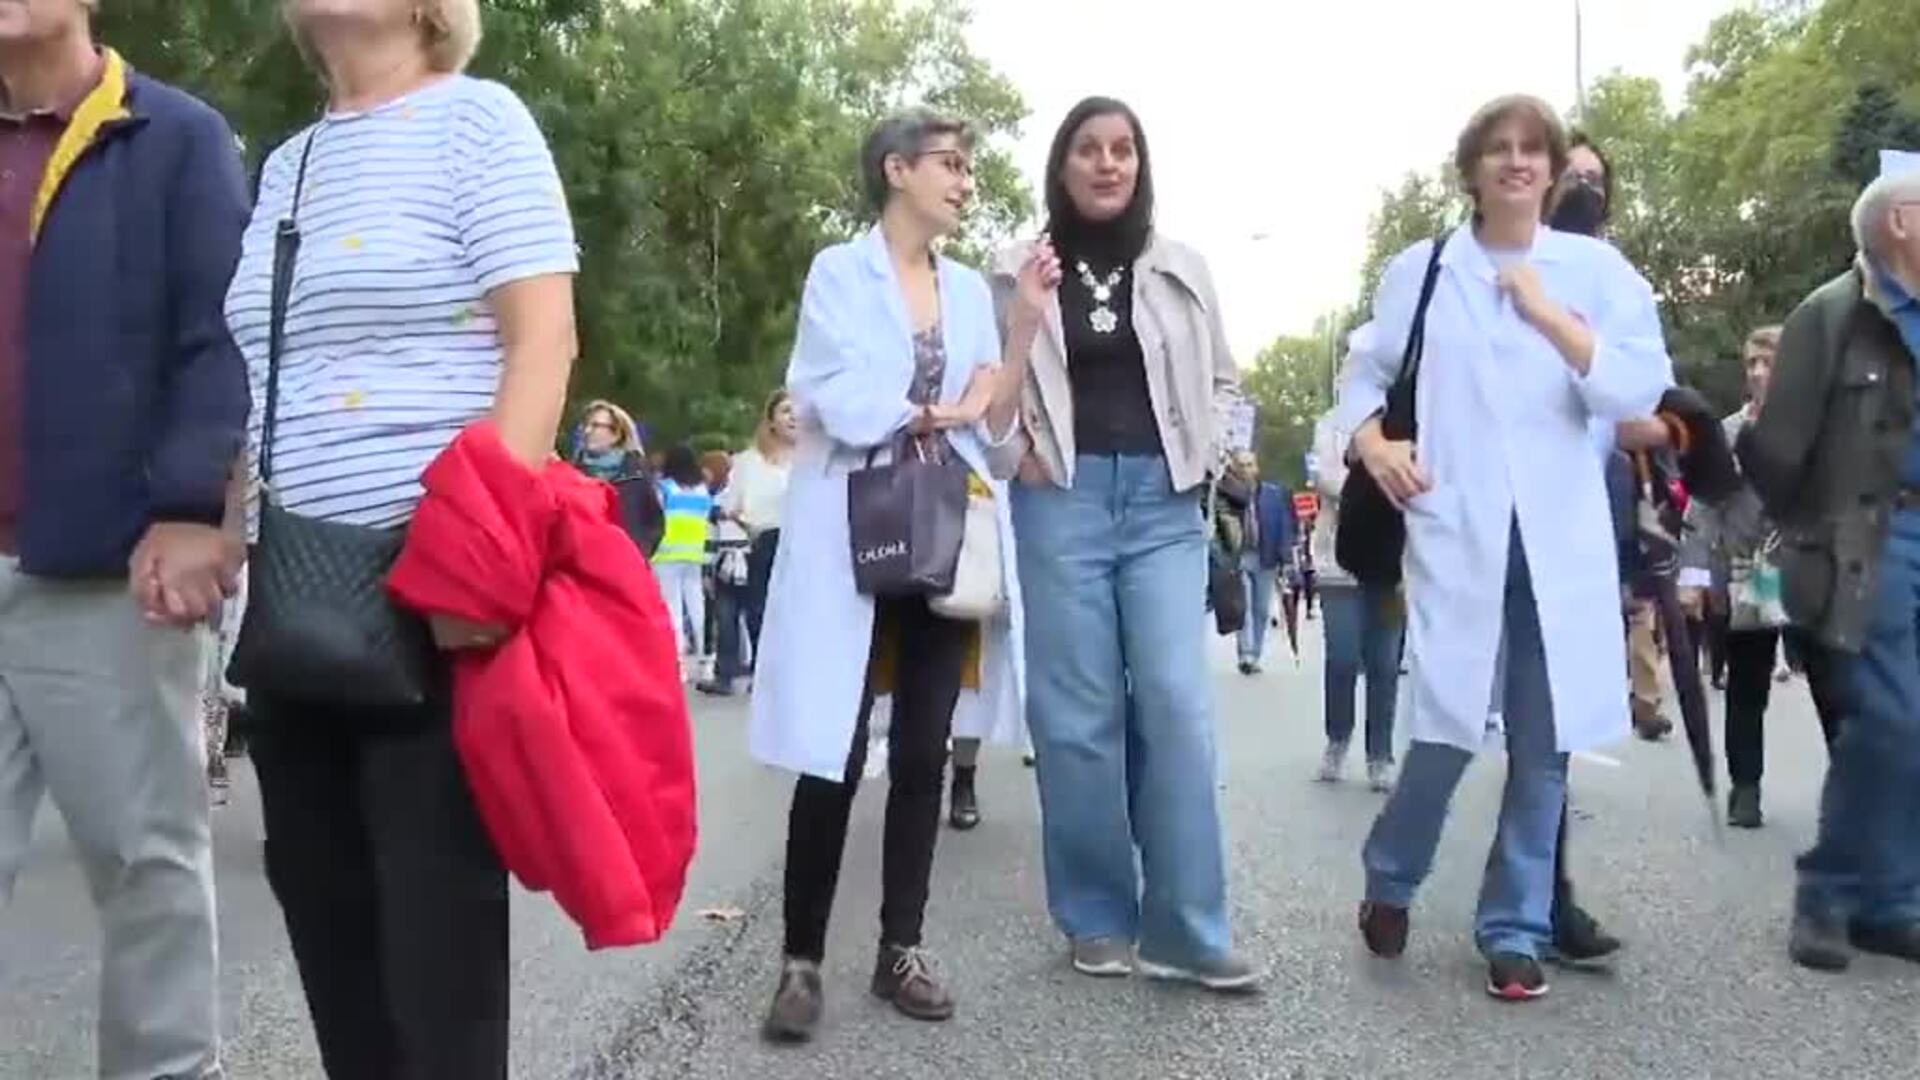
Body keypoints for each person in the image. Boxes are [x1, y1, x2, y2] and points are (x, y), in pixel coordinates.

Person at [222, 1, 579, 1074]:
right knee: (334, 943)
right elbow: (261, 376)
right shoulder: (289, 163)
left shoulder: (482, 123)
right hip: (294, 600)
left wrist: (481, 561)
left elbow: (544, 340)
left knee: (439, 967)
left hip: (431, 598)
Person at [1346, 96, 1670, 1002]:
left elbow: (1640, 383)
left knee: (1547, 740)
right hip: (1460, 525)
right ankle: (1392, 873)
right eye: (1499, 149)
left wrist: (1549, 315)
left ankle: (1515, 927)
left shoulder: (1595, 271)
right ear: (1473, 168)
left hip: (1560, 536)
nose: (1517, 163)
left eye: (1534, 150)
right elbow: (1363, 371)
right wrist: (1373, 443)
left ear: (1557, 167)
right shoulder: (1425, 268)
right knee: (1446, 730)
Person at [0, 5, 248, 1077]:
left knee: (147, 865)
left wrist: (194, 505)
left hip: (105, 571)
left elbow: (218, 332)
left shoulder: (175, 136)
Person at [750, 109, 1033, 1041]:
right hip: (854, 529)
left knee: (921, 750)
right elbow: (826, 387)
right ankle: (800, 961)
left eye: (967, 167)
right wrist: (938, 409)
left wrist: (1007, 357)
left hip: (945, 528)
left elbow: (993, 418)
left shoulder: (966, 287)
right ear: (896, 170)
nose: (963, 181)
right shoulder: (840, 271)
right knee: (832, 748)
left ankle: (898, 949)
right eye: (949, 165)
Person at [989, 96, 1260, 992]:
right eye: (1089, 150)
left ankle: (1186, 927)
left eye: (1124, 151)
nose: (1108, 165)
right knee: (1076, 717)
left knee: (1177, 707)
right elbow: (987, 400)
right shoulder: (1010, 270)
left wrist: (1210, 453)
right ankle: (1098, 914)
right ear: (1061, 167)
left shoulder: (1182, 268)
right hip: (1060, 499)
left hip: (1161, 503)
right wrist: (1018, 447)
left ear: (1141, 166)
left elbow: (1226, 382)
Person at [1740, 151, 1920, 974]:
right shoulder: (1833, 314)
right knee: (1890, 718)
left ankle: (1886, 902)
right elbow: (1773, 451)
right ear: (1901, 223)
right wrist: (1816, 529)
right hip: (1868, 541)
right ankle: (1828, 893)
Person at [1688, 327, 1789, 828]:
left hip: (1808, 572)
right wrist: (1704, 574)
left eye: (1768, 362)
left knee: (1836, 688)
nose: (1757, 372)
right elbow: (1705, 507)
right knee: (1747, 687)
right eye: (1751, 362)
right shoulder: (1726, 433)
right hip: (1747, 574)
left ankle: (1853, 795)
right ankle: (1745, 790)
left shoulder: (1816, 427)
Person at [1311, 405, 1403, 791]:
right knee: (1343, 657)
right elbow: (1323, 477)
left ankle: (1379, 755)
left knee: (1385, 662)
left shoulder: (1406, 418)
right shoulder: (1330, 425)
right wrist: (1378, 470)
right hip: (1339, 560)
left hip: (1394, 563)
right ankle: (1337, 738)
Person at [1220, 449, 1295, 675]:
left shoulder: (1273, 494)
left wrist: (1286, 560)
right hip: (1240, 557)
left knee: (1261, 609)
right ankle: (1246, 655)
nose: (1246, 470)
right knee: (1245, 607)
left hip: (1266, 557)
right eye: (1241, 465)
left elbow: (1284, 527)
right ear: (1233, 468)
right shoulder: (1227, 495)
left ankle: (1256, 653)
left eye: (1250, 464)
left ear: (1257, 467)